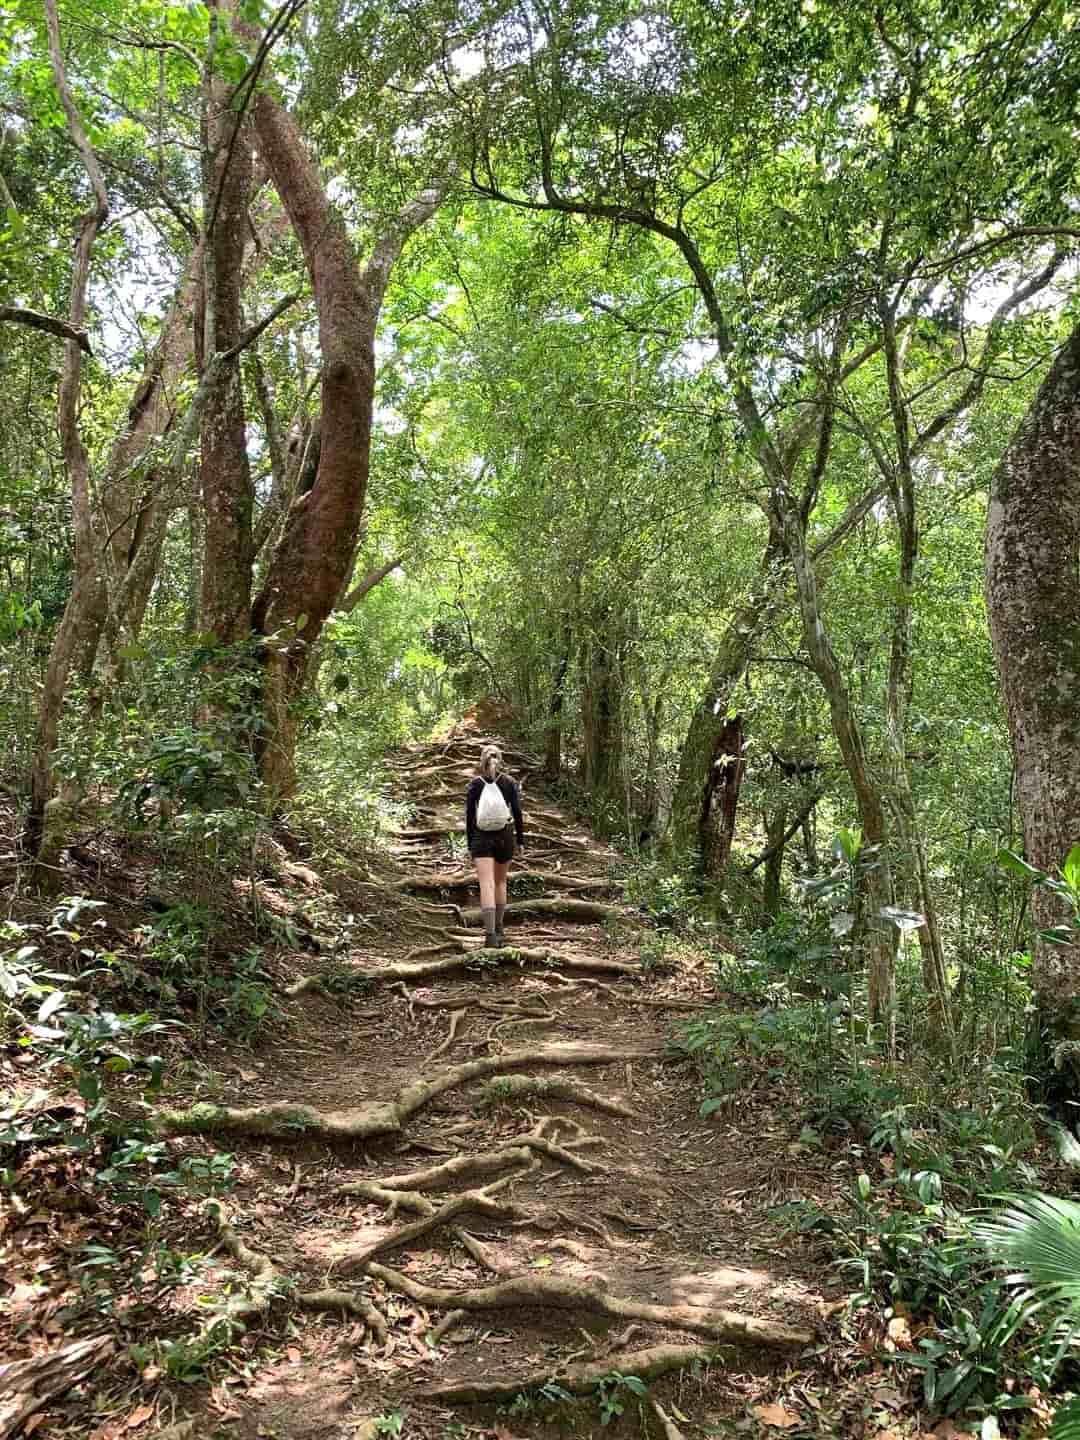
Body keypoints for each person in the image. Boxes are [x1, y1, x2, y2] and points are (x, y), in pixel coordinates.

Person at [465, 743, 524, 948]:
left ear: (482, 762)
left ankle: (489, 936)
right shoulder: (509, 782)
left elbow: (470, 817)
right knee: (500, 882)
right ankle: (500, 928)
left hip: (481, 838)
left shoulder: (475, 784)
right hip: (505, 836)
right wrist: (521, 840)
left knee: (486, 884)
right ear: (500, 760)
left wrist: (469, 843)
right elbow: (516, 812)